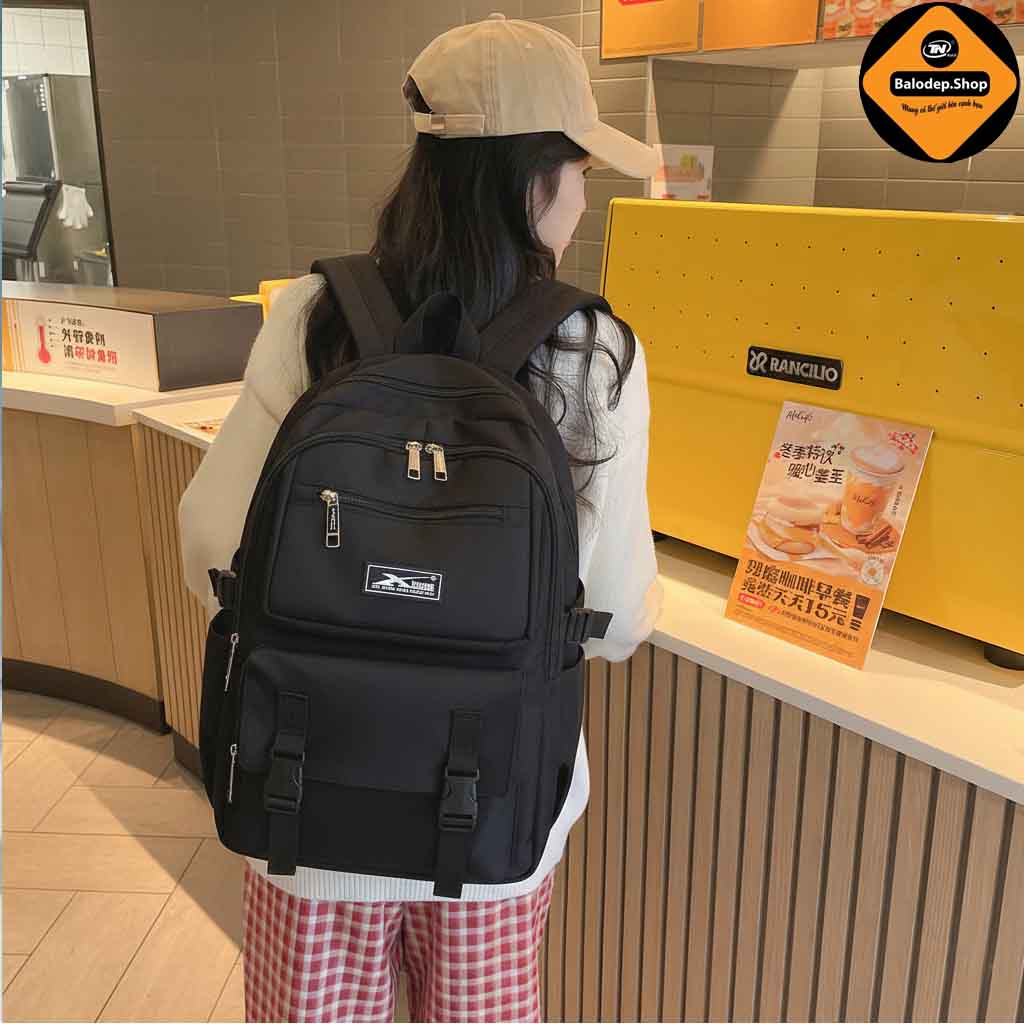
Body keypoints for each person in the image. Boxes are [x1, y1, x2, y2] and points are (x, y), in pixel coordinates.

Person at [179, 13, 662, 1024]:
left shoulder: (312, 311)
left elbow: (210, 546)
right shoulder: (591, 352)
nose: (582, 200)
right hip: (492, 812)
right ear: (534, 179)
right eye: (579, 172)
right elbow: (615, 618)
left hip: (304, 803)